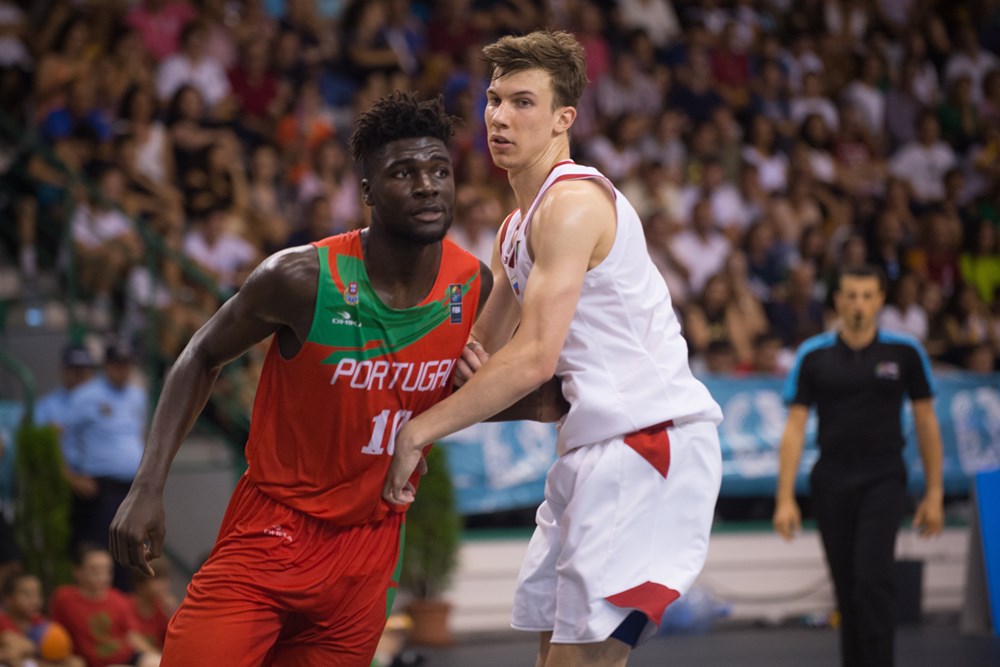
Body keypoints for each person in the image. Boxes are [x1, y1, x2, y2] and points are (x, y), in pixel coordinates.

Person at [109, 92, 558, 666]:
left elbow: (450, 395)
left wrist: (550, 400)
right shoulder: (299, 277)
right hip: (271, 531)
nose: (427, 185)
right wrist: (149, 484)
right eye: (404, 172)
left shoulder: (471, 286)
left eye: (439, 170)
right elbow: (199, 355)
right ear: (367, 190)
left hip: (368, 553)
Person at [385, 30, 723, 667]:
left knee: (582, 662)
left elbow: (535, 357)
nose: (501, 117)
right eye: (493, 100)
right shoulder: (516, 227)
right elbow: (477, 352)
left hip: (644, 440)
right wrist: (383, 388)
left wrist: (415, 434)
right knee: (553, 656)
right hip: (590, 449)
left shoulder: (572, 204)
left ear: (564, 118)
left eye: (523, 102)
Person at [772, 265, 944, 667]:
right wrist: (784, 498)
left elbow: (926, 422)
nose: (859, 304)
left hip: (883, 478)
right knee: (847, 589)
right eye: (851, 295)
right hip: (831, 480)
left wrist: (934, 493)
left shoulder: (905, 353)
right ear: (837, 301)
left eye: (867, 296)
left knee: (872, 580)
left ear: (881, 299)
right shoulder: (814, 355)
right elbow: (795, 428)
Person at [61, 338, 147, 592]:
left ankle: (122, 610)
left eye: (127, 364)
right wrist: (71, 475)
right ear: (106, 365)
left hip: (132, 487)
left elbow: (140, 432)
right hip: (101, 487)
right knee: (101, 551)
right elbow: (64, 437)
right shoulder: (85, 395)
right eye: (117, 364)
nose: (123, 369)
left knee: (132, 550)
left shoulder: (137, 394)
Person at [50, 543, 161, 667]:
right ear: (78, 571)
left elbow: (133, 636)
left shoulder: (119, 599)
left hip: (129, 656)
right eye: (95, 570)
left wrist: (159, 658)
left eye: (106, 571)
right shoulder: (65, 599)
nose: (102, 576)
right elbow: (56, 634)